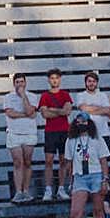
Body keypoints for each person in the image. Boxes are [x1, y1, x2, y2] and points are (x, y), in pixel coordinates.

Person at [52, 114, 110, 218]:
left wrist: (105, 179)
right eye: (79, 122)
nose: (81, 124)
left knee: (98, 211)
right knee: (75, 212)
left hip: (96, 175)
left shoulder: (97, 139)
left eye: (84, 121)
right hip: (80, 177)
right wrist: (69, 181)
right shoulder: (71, 141)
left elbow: (103, 160)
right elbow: (68, 162)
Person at [2, 72, 40, 203]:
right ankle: (18, 191)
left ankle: (26, 190)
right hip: (14, 133)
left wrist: (23, 96)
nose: (20, 84)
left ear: (25, 82)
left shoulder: (33, 97)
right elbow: (10, 113)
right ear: (14, 84)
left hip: (29, 133)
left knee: (28, 162)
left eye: (22, 82)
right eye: (17, 82)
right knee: (18, 162)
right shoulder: (8, 97)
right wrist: (26, 115)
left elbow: (31, 110)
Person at [39, 69, 74, 201]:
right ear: (49, 80)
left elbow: (67, 112)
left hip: (64, 131)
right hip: (50, 131)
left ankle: (61, 188)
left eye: (57, 78)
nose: (54, 80)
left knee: (63, 161)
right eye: (52, 78)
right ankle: (48, 189)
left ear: (60, 79)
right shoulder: (44, 96)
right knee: (48, 161)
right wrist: (59, 111)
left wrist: (52, 109)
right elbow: (44, 114)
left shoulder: (65, 94)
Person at [75, 71, 110, 156]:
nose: (91, 83)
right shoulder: (81, 95)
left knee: (104, 159)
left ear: (97, 83)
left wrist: (90, 108)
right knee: (89, 158)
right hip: (87, 134)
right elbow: (83, 108)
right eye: (89, 81)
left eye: (93, 81)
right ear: (85, 83)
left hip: (103, 133)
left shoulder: (102, 95)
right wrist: (101, 109)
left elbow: (107, 110)